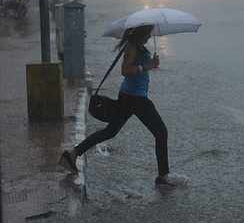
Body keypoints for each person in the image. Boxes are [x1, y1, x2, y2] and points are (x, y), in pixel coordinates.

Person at [59, 25, 188, 187]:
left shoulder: (138, 47)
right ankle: (163, 176)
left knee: (110, 131)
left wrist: (151, 64)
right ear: (141, 33)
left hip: (130, 96)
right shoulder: (132, 48)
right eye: (147, 33)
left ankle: (72, 154)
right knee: (161, 132)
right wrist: (146, 66)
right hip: (136, 99)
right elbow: (125, 70)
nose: (149, 37)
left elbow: (138, 69)